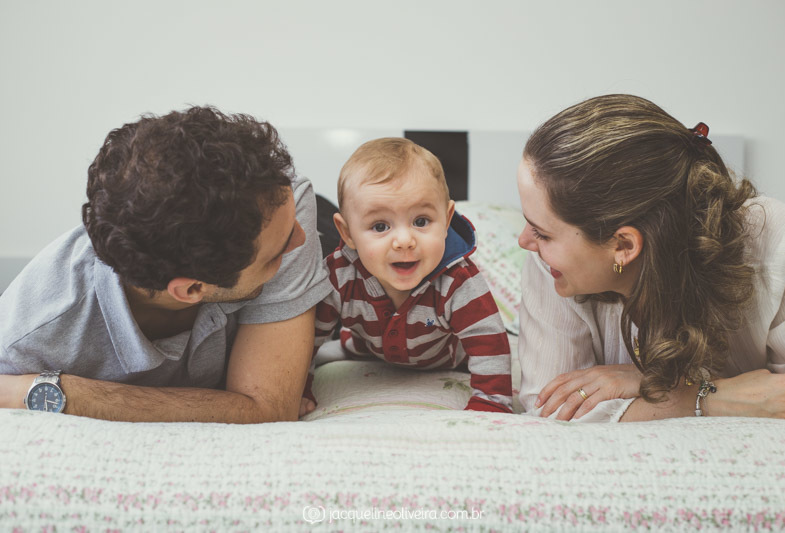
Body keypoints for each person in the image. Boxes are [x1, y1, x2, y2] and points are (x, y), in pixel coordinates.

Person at [0, 106, 330, 423]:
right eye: (278, 253)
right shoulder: (28, 341)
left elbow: (268, 408)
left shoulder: (280, 202)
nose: (300, 239)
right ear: (193, 289)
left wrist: (69, 394)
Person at [516, 94, 785, 422]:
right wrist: (704, 398)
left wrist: (664, 388)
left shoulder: (781, 245)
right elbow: (550, 409)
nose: (524, 241)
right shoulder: (552, 265)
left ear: (624, 245)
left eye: (543, 233)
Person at [304, 137, 513, 414]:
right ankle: (347, 347)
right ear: (347, 233)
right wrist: (299, 388)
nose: (404, 241)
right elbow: (308, 336)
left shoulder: (458, 280)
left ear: (447, 220)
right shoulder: (340, 274)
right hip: (368, 348)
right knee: (332, 343)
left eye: (421, 221)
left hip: (446, 358)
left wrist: (491, 401)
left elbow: (488, 340)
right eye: (380, 226)